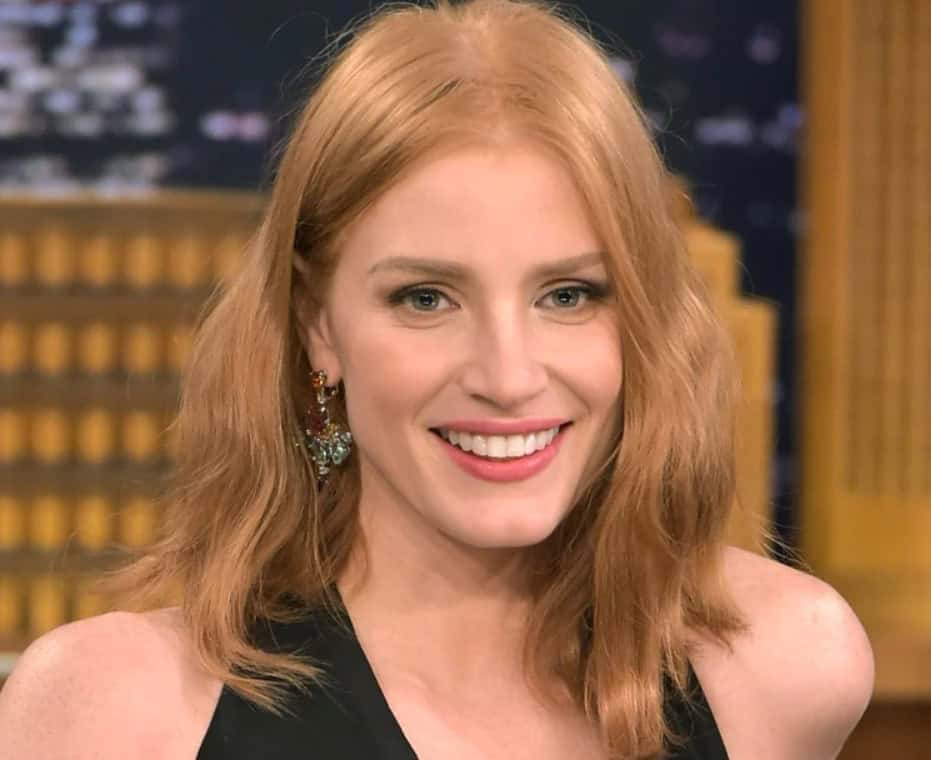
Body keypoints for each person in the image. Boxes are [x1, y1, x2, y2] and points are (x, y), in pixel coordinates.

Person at [0, 1, 874, 758]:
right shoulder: (115, 712)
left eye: (568, 295)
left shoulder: (783, 664)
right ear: (317, 325)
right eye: (425, 298)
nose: (507, 376)